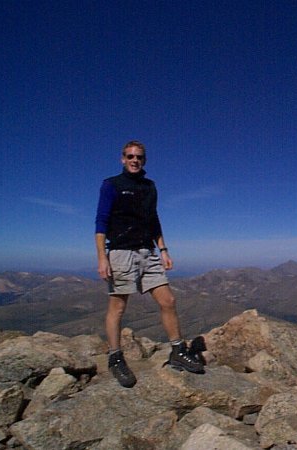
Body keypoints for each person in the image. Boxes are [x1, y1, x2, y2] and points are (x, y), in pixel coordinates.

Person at [95, 140, 204, 388]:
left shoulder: (149, 186)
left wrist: (163, 249)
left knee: (168, 300)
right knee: (118, 308)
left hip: (148, 252)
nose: (135, 160)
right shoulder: (111, 185)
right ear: (122, 158)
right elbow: (101, 222)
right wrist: (102, 257)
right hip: (121, 253)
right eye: (130, 156)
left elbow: (154, 219)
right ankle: (115, 358)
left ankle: (177, 350)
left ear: (144, 160)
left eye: (139, 157)